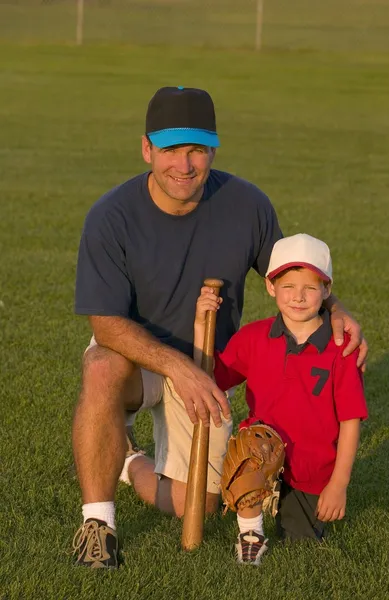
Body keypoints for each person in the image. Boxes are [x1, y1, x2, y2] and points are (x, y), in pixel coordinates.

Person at [72, 86, 367, 569]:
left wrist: (335, 310)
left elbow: (291, 276)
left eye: (197, 150)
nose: (183, 165)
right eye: (170, 150)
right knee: (101, 364)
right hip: (138, 358)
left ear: (213, 149)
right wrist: (175, 368)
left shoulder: (247, 205)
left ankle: (126, 459)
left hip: (212, 367)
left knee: (202, 504)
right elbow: (105, 325)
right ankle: (98, 525)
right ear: (147, 149)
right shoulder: (110, 216)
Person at [194, 234, 368, 565]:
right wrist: (201, 324)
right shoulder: (254, 337)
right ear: (271, 287)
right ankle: (251, 533)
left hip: (312, 466)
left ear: (327, 291)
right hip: (264, 450)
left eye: (310, 288)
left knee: (300, 543)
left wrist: (338, 484)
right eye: (287, 286)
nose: (298, 297)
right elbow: (212, 376)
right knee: (249, 452)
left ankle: (286, 503)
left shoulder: (340, 348)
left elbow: (350, 420)